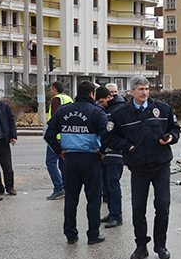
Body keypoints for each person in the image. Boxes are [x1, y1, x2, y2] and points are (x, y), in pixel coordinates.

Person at [102, 76, 180, 259]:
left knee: (162, 205)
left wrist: (170, 137)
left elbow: (175, 129)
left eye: (146, 89)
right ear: (132, 92)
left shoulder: (162, 108)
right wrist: (128, 146)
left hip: (161, 165)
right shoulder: (120, 113)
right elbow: (109, 137)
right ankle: (141, 246)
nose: (144, 92)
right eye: (140, 89)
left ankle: (160, 245)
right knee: (138, 209)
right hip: (138, 167)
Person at [44, 80, 107, 246]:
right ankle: (93, 234)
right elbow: (107, 134)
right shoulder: (97, 111)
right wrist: (102, 152)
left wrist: (59, 151)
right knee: (93, 199)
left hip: (70, 159)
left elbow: (48, 134)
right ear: (92, 94)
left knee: (71, 198)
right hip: (91, 159)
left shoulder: (63, 111)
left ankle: (70, 235)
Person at [96, 85, 125, 228]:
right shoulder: (106, 109)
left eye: (101, 102)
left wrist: (102, 149)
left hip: (115, 153)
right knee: (107, 186)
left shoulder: (118, 110)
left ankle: (117, 216)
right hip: (106, 153)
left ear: (109, 97)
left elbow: (111, 133)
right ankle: (112, 212)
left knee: (113, 185)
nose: (100, 105)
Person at [46, 81, 73, 200]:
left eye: (51, 89)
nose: (50, 92)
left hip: (57, 137)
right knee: (64, 163)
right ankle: (67, 187)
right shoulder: (69, 99)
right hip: (67, 136)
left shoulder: (56, 99)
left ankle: (59, 188)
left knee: (50, 162)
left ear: (54, 89)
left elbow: (56, 117)